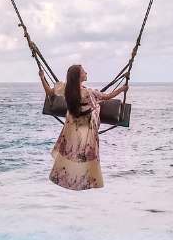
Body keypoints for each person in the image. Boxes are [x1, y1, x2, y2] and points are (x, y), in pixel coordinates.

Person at [43, 63, 127, 191]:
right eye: (84, 72)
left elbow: (49, 92)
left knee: (90, 103)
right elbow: (108, 96)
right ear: (78, 76)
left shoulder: (66, 88)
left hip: (74, 123)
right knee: (96, 104)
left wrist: (42, 78)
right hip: (88, 124)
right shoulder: (88, 92)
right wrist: (122, 89)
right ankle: (95, 105)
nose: (86, 73)